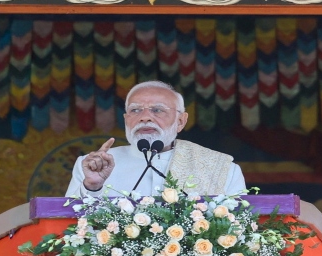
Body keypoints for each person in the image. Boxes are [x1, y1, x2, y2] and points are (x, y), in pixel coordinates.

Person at [65, 81, 247, 198]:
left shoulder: (221, 168)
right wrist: (92, 187)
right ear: (126, 119)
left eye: (157, 110)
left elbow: (238, 230)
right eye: (135, 110)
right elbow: (69, 227)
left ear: (181, 121)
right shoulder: (93, 166)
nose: (145, 117)